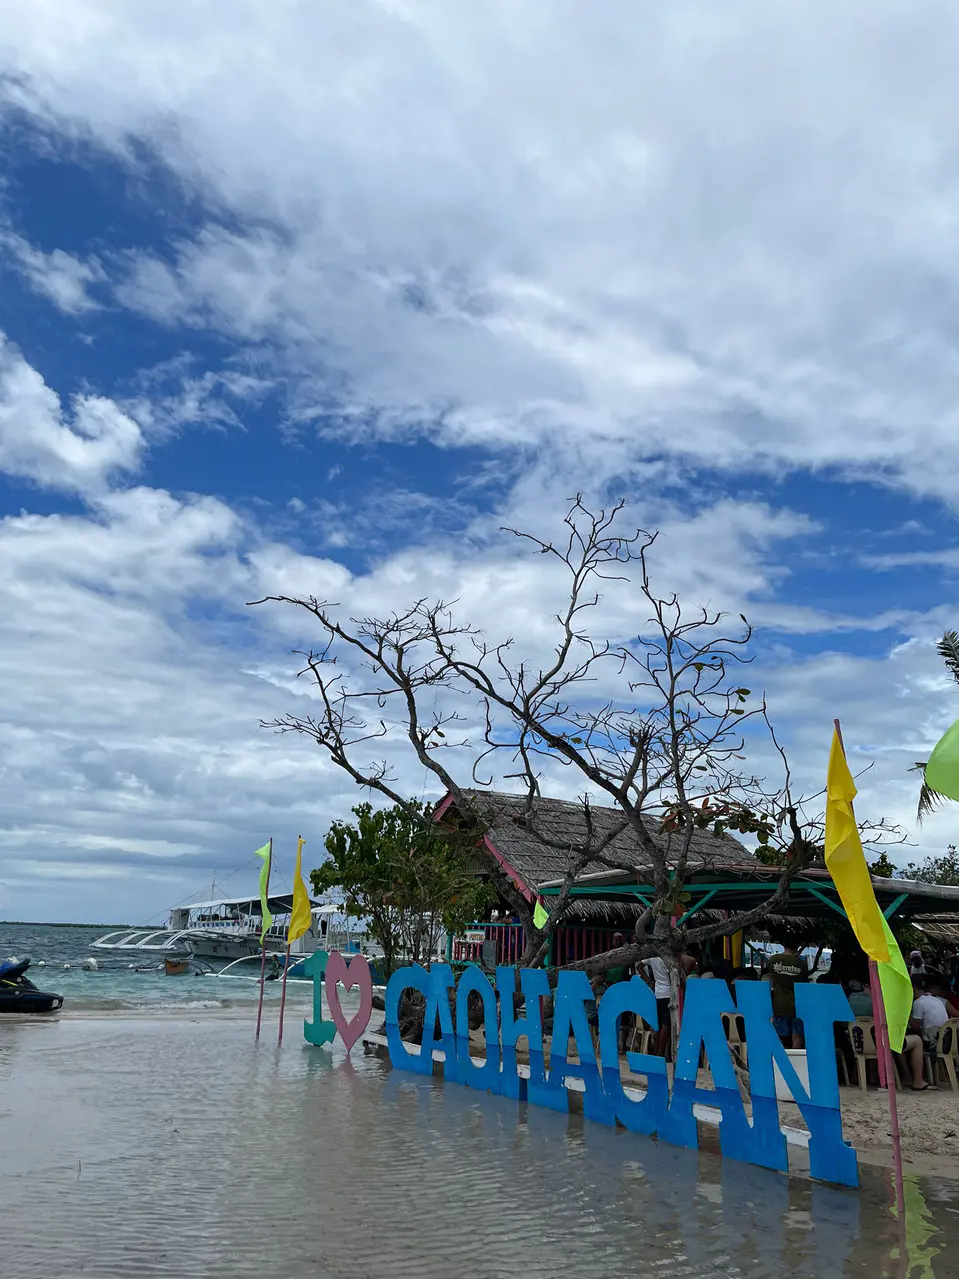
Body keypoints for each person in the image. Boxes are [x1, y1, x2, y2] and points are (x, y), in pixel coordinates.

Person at [765, 944, 808, 1048]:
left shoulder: (774, 959)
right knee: (797, 1035)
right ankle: (796, 1062)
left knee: (779, 1036)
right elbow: (804, 983)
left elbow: (768, 978)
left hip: (779, 1004)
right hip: (797, 1005)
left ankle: (779, 1061)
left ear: (783, 944)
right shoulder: (801, 963)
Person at [643, 954, 672, 1058]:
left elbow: (638, 965)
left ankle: (656, 1050)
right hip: (668, 993)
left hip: (658, 993)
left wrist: (650, 981)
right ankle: (661, 1052)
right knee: (666, 1024)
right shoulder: (668, 958)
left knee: (658, 1024)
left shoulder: (653, 958)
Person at [912, 979, 950, 1049]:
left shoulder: (918, 1002)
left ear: (913, 989)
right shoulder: (937, 1000)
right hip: (946, 1039)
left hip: (932, 1041)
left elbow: (915, 1028)